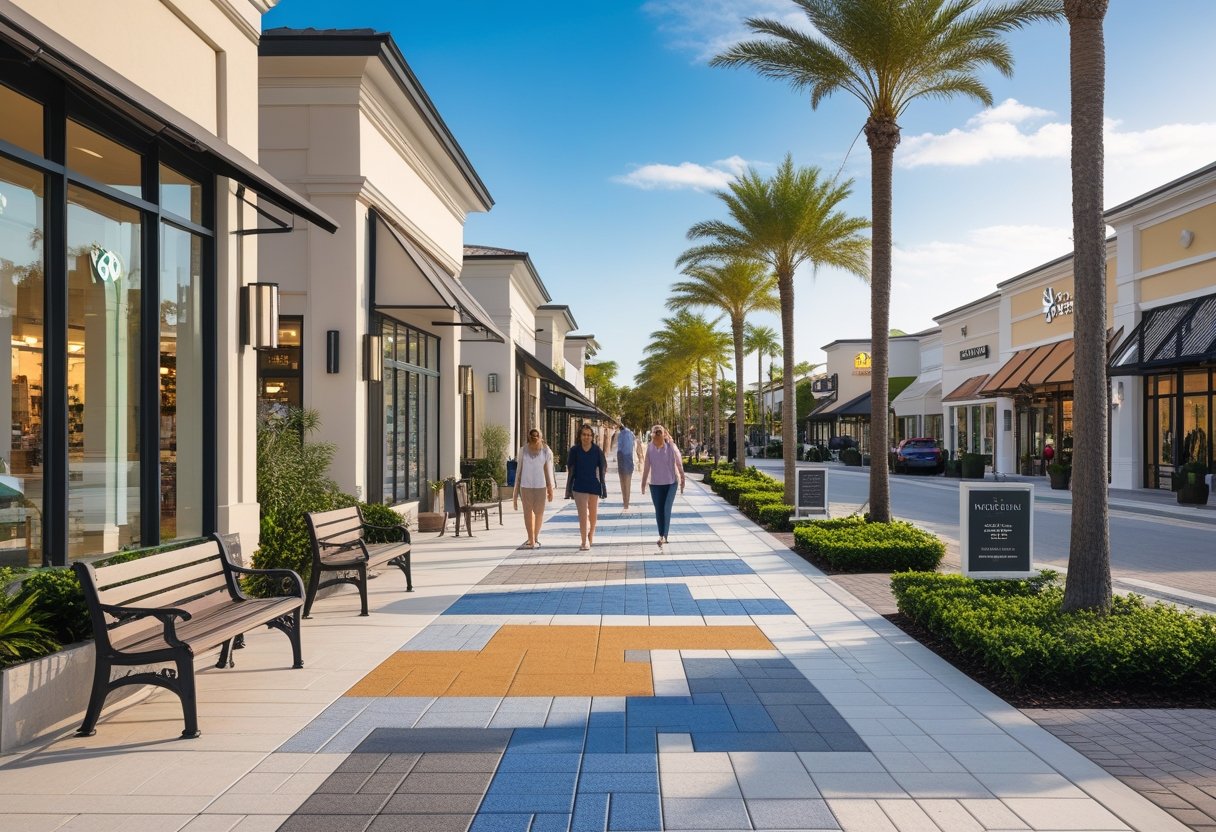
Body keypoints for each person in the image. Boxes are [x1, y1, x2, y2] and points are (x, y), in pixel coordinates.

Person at [641, 424, 686, 549]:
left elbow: (679, 462)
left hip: (671, 483)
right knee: (659, 511)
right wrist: (643, 483)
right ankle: (661, 535)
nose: (657, 434)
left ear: (664, 434)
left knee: (666, 508)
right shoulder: (650, 448)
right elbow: (646, 467)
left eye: (659, 431)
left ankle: (665, 536)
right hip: (655, 484)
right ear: (652, 435)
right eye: (655, 432)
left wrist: (682, 478)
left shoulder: (671, 446)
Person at [565, 423, 607, 550]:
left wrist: (601, 482)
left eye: (589, 435)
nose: (586, 437)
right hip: (579, 486)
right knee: (583, 515)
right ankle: (584, 541)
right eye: (584, 434)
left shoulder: (597, 450)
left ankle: (591, 535)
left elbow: (603, 466)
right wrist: (570, 485)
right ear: (580, 436)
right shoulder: (574, 450)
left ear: (592, 437)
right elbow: (570, 467)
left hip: (594, 485)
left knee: (593, 514)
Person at [512, 428, 555, 549]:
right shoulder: (523, 450)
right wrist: (515, 492)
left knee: (539, 513)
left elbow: (548, 470)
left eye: (537, 436)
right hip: (526, 486)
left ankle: (535, 537)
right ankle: (530, 539)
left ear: (541, 437)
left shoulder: (546, 450)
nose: (534, 438)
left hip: (540, 486)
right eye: (532, 436)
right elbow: (519, 470)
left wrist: (550, 488)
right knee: (527, 513)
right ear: (529, 437)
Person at [616, 424, 637, 511]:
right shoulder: (631, 434)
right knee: (628, 484)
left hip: (621, 461)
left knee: (623, 483)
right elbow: (633, 448)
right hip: (629, 461)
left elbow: (617, 448)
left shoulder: (620, 435)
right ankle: (626, 504)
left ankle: (625, 503)